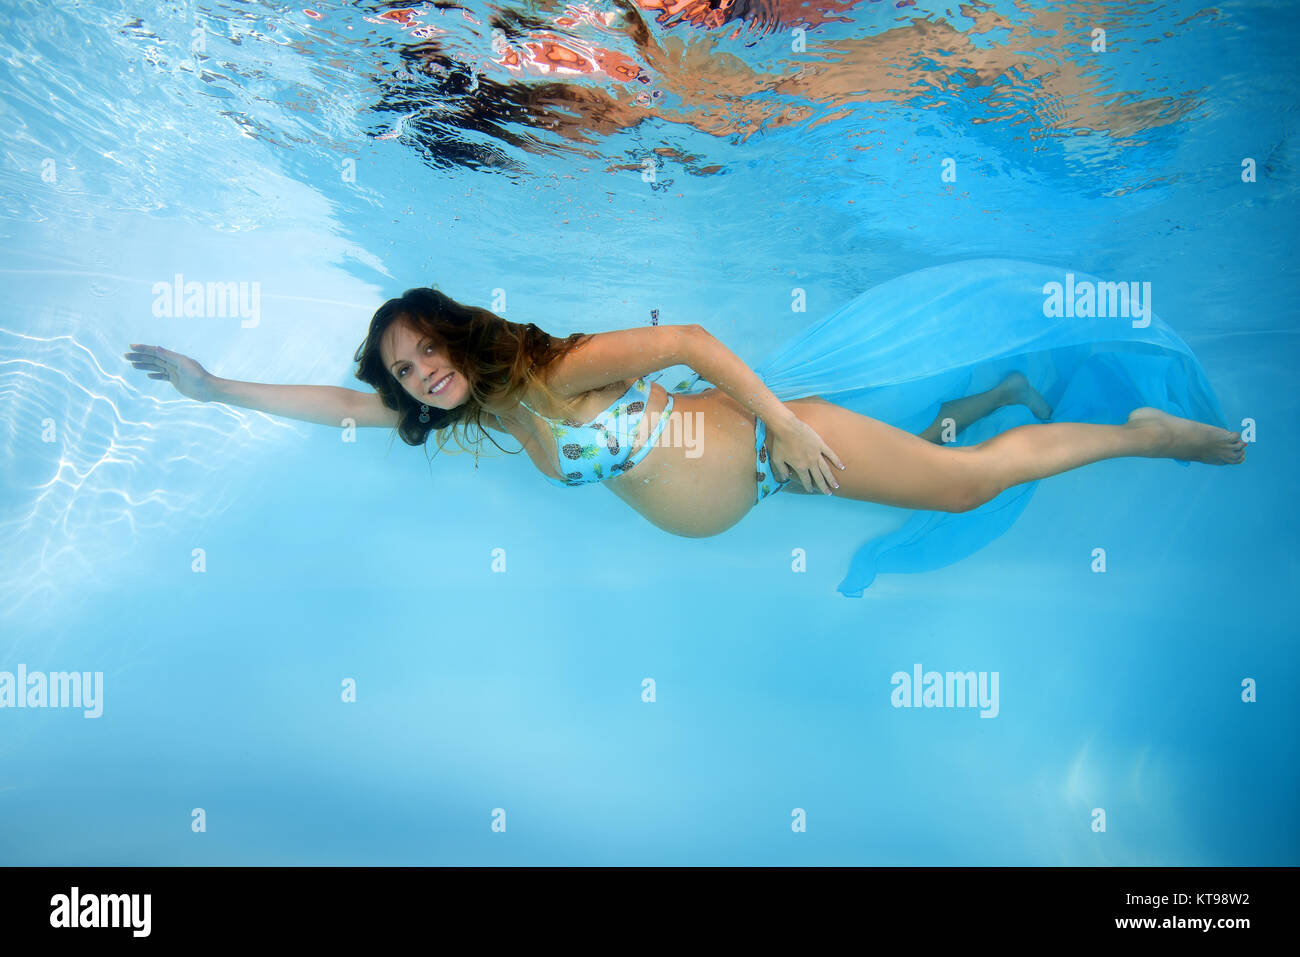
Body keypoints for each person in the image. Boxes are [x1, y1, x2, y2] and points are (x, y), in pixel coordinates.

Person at [124, 260, 1244, 595]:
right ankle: (985, 401)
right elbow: (338, 406)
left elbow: (695, 340)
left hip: (772, 448)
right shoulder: (491, 409)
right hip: (763, 477)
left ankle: (1146, 431)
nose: (422, 381)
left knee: (962, 486)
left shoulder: (549, 369)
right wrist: (219, 391)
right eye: (407, 377)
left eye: (428, 356)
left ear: (460, 339)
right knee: (942, 450)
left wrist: (783, 434)